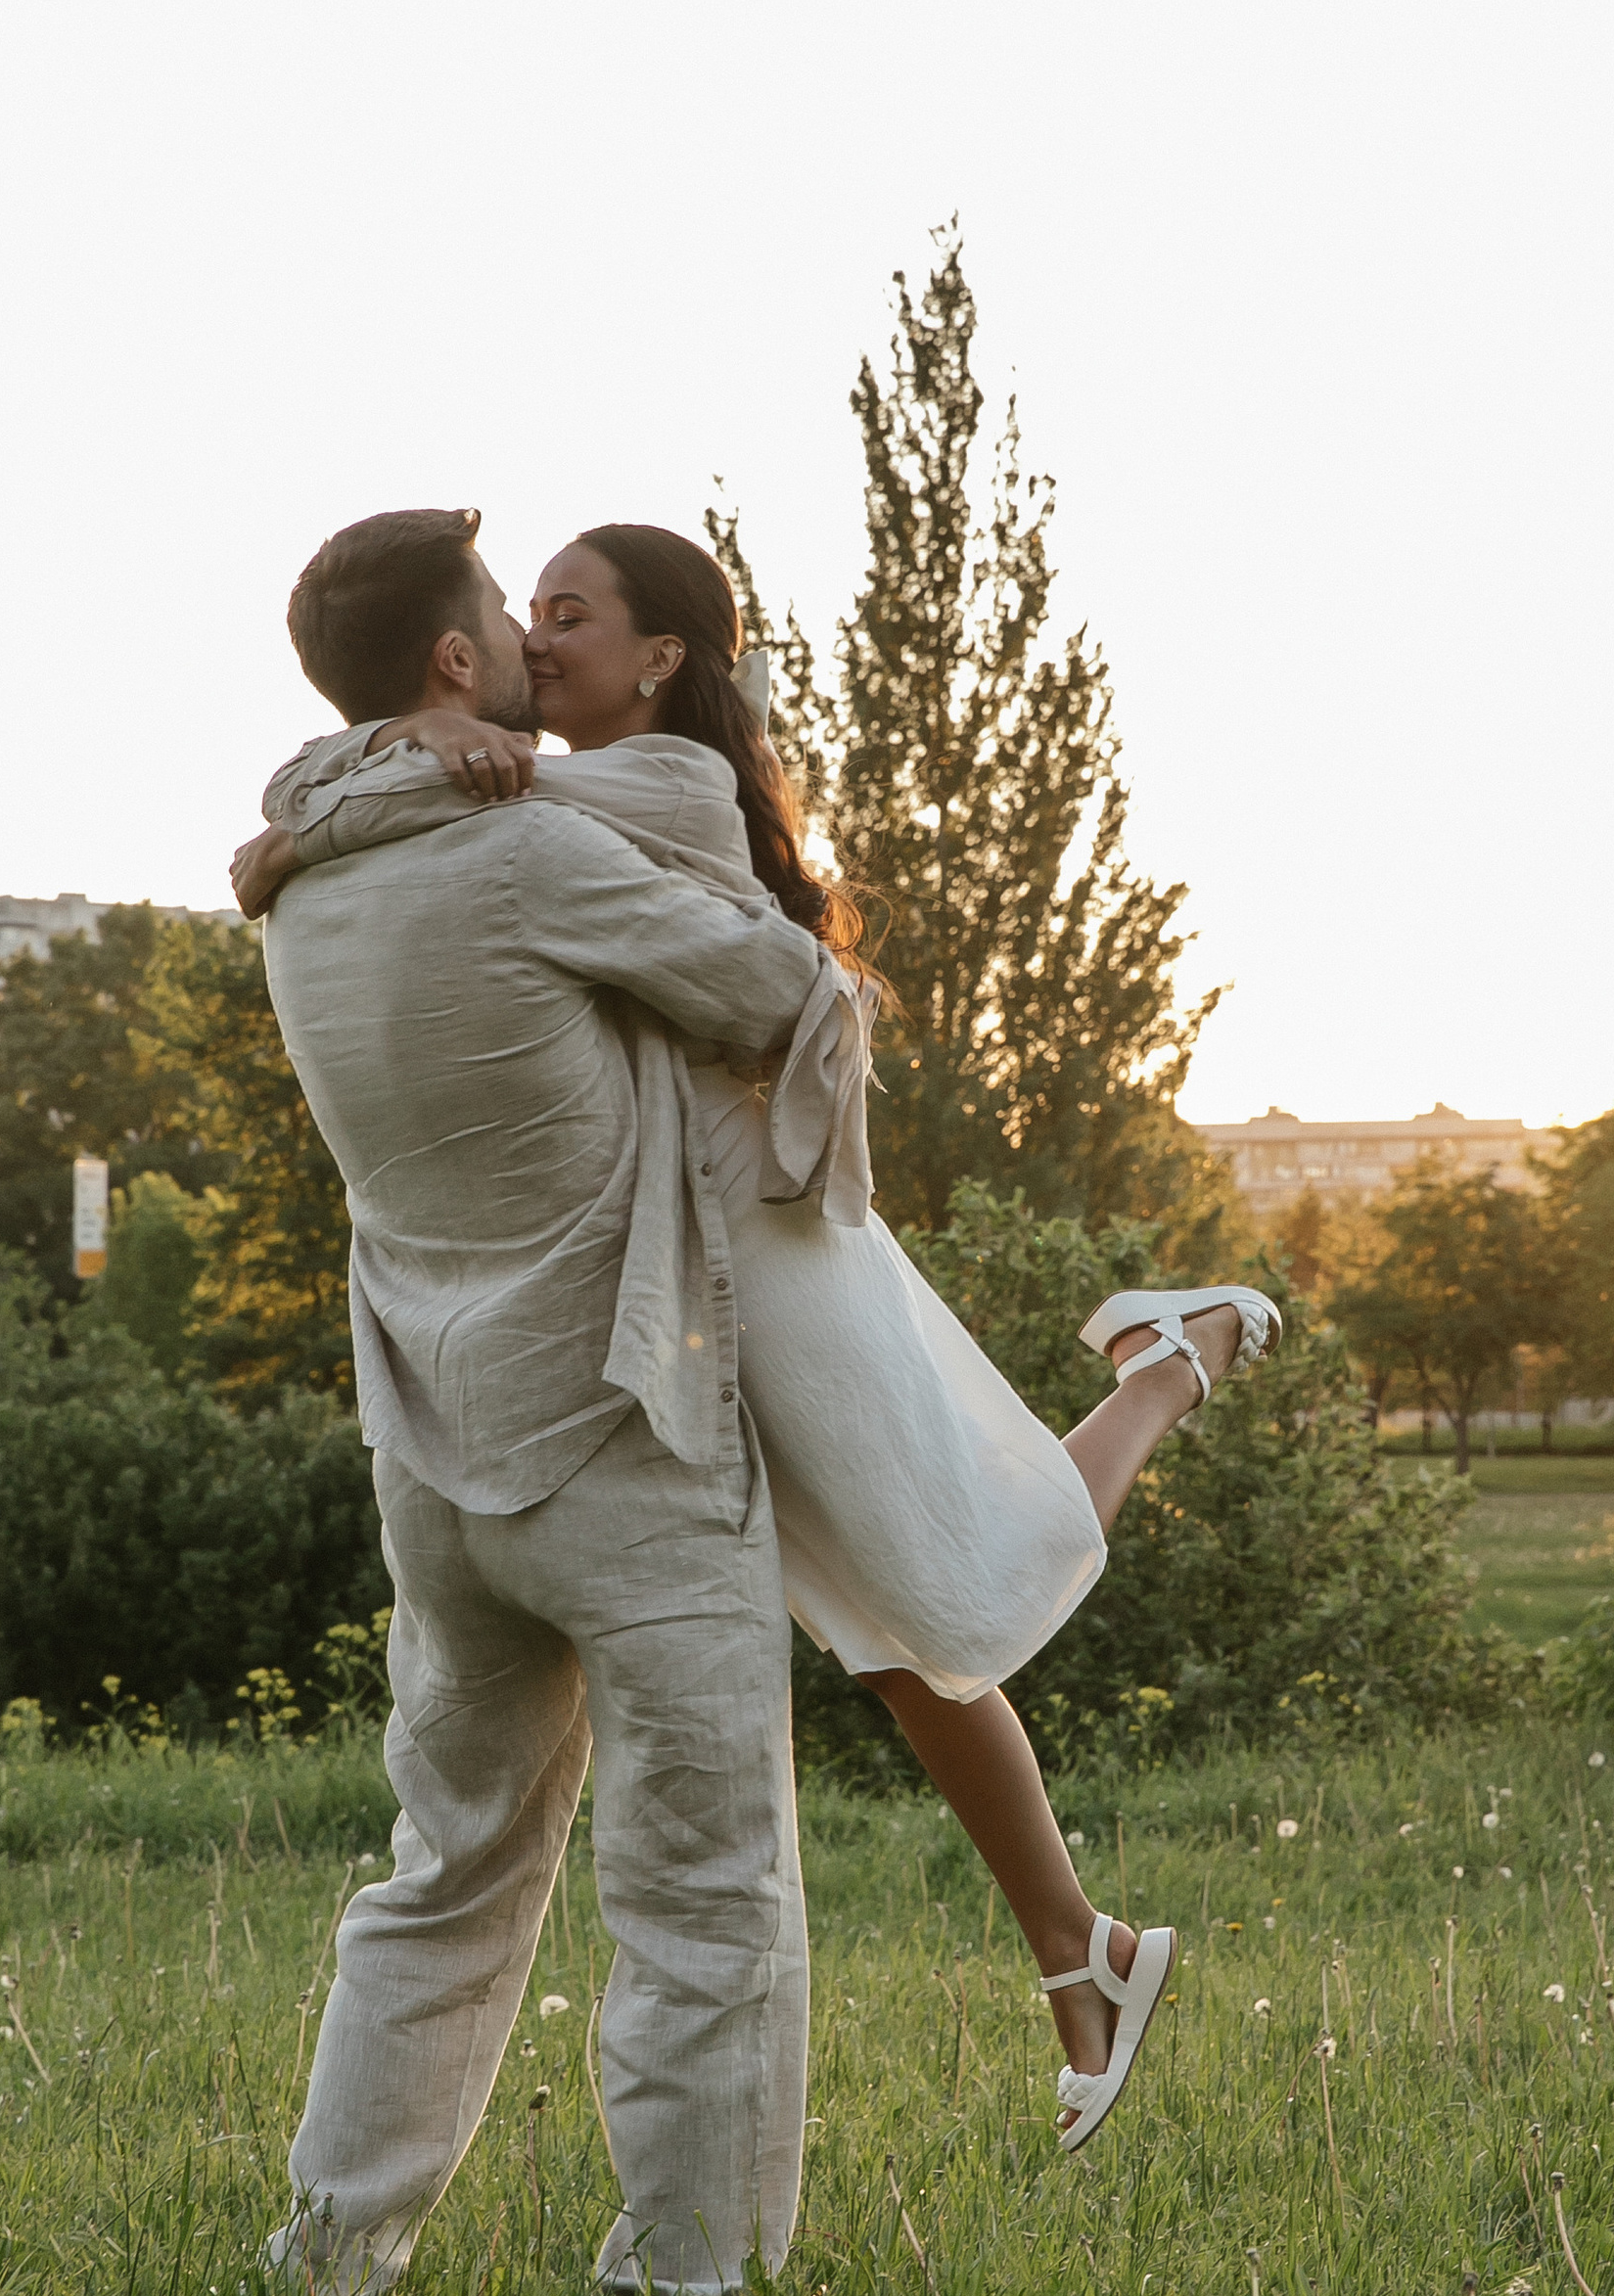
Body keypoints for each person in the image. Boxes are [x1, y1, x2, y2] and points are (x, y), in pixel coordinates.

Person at [236, 519, 1279, 2159]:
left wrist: (331, 794)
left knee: (948, 1576)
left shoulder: (612, 796)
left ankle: (1172, 1361)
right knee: (897, 1615)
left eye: (570, 614)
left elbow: (432, 839)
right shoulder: (501, 793)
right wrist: (366, 771)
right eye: (523, 614)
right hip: (675, 1271)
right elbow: (404, 821)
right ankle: (1083, 1950)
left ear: (661, 659)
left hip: (750, 1247)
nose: (537, 635)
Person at [254, 506, 845, 2296]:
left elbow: (312, 795)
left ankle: (329, 2262)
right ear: (452, 664)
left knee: (441, 1877)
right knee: (702, 1891)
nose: (523, 636)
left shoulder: (304, 880)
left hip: (435, 1462)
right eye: (503, 614)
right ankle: (692, 2294)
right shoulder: (524, 853)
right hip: (621, 1442)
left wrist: (366, 773)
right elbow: (777, 989)